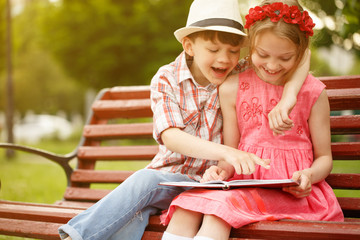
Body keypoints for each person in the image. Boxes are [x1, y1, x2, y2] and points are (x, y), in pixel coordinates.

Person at [59, 0, 309, 239]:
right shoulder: (166, 78)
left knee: (138, 209)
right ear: (189, 46)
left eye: (233, 51)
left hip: (214, 183)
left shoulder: (239, 73)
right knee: (140, 199)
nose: (225, 58)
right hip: (168, 180)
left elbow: (302, 53)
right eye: (213, 50)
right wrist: (228, 152)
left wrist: (288, 99)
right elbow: (171, 136)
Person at [160, 1, 345, 240]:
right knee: (186, 207)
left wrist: (309, 175)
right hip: (242, 186)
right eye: (262, 54)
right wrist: (220, 170)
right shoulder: (233, 87)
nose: (272, 65)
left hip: (292, 193)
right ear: (251, 46)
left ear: (300, 53)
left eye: (285, 57)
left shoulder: (312, 93)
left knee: (218, 212)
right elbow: (232, 149)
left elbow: (325, 158)